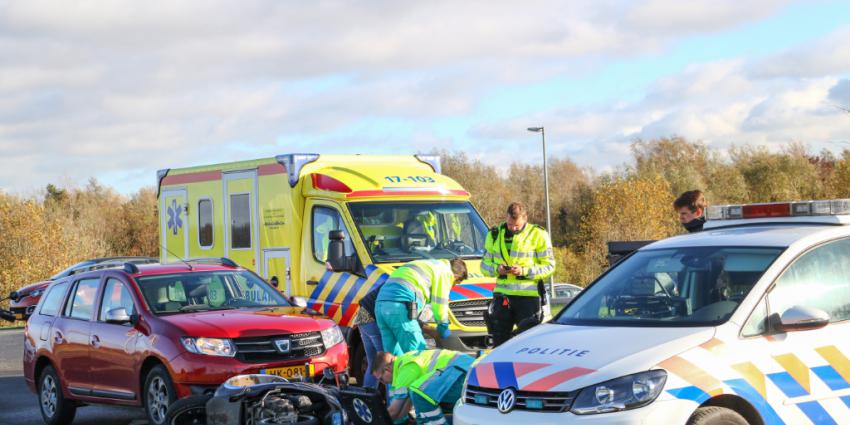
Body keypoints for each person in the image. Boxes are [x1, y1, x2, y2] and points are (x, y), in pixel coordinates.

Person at [481, 202, 555, 347]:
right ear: (506, 218)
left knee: (528, 344)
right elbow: (484, 266)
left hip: (528, 298)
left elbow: (549, 266)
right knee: (499, 343)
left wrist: (524, 271)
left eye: (517, 226)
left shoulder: (538, 234)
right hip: (503, 297)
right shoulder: (494, 235)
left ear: (525, 219)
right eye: (509, 224)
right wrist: (497, 269)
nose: (513, 228)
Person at [375, 259, 467, 356]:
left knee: (392, 359)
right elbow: (440, 304)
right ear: (456, 277)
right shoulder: (445, 273)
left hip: (380, 305)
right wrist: (443, 327)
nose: (452, 287)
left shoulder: (429, 264)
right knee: (417, 355)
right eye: (455, 284)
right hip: (400, 307)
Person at [373, 350, 475, 425]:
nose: (382, 383)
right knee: (423, 398)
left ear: (387, 369)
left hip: (462, 374)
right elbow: (404, 410)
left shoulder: (404, 369)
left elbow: (395, 410)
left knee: (420, 396)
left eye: (381, 378)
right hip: (466, 370)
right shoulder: (404, 361)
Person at [353, 278, 388, 389]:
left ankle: (368, 399)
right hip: (372, 320)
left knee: (373, 362)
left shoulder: (393, 280)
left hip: (362, 320)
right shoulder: (404, 285)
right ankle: (391, 403)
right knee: (387, 363)